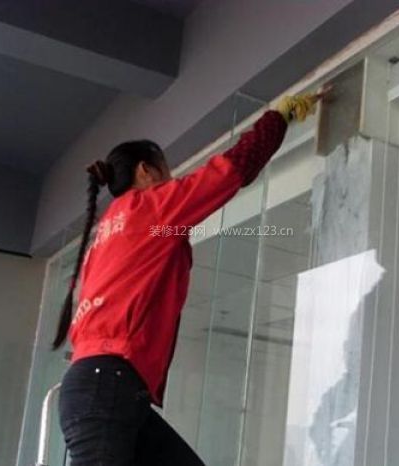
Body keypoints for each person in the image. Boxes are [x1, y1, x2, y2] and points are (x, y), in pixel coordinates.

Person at [53, 92, 324, 466]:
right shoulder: (150, 211)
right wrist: (279, 117)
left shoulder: (110, 230)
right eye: (167, 173)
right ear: (146, 171)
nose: (173, 182)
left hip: (108, 387)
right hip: (107, 385)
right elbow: (231, 170)